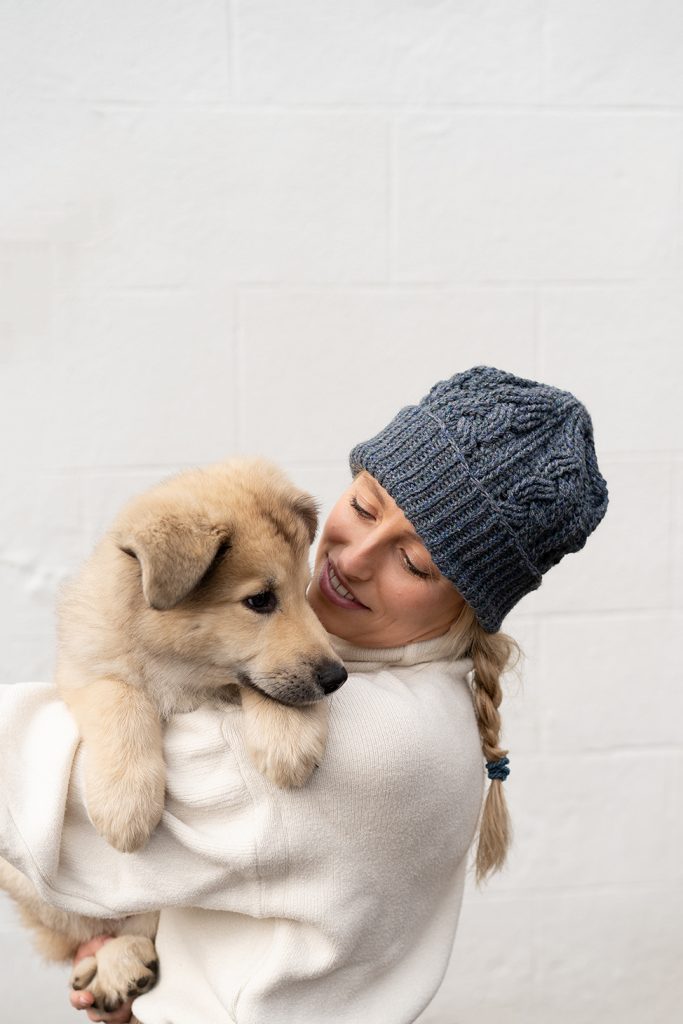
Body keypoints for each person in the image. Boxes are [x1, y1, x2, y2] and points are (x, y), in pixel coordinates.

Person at [0, 366, 609, 1024]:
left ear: (468, 603)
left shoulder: (378, 742)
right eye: (364, 506)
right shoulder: (414, 693)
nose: (349, 559)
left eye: (413, 562)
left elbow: (33, 804)